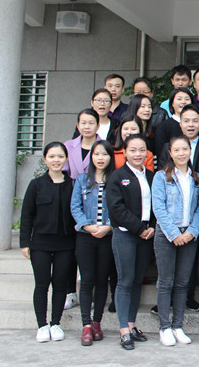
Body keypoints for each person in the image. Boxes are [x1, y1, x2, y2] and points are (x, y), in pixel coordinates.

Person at [20, 142, 76, 343]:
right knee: (42, 284)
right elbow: (27, 215)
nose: (56, 160)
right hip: (40, 244)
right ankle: (42, 325)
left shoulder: (73, 184)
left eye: (60, 156)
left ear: (66, 159)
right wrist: (25, 243)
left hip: (66, 244)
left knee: (60, 284)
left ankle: (55, 323)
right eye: (52, 156)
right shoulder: (36, 185)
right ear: (45, 159)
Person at [105, 134, 156, 350]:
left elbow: (157, 205)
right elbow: (116, 209)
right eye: (133, 150)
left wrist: (152, 227)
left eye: (142, 150)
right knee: (125, 280)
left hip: (146, 236)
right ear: (124, 152)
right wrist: (139, 228)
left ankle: (132, 324)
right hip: (126, 234)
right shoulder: (117, 177)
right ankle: (123, 329)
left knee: (136, 281)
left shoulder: (152, 176)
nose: (138, 154)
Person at [151, 136, 199, 346]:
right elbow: (159, 208)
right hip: (166, 234)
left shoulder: (196, 178)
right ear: (170, 153)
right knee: (166, 282)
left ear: (190, 151)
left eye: (185, 149)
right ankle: (164, 327)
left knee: (183, 283)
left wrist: (192, 232)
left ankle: (178, 325)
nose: (181, 153)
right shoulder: (161, 177)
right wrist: (174, 234)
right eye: (177, 150)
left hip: (189, 235)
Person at [70, 140, 115, 346]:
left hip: (107, 237)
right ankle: (86, 325)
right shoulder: (81, 180)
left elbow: (120, 206)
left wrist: (108, 226)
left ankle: (97, 322)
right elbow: (75, 207)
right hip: (85, 237)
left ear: (110, 157)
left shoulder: (115, 179)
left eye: (104, 154)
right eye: (96, 154)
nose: (100, 158)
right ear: (91, 157)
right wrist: (87, 226)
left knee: (102, 280)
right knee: (87, 280)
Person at [155, 88, 194, 157]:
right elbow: (161, 153)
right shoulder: (164, 127)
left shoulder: (196, 125)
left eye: (187, 99)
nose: (183, 102)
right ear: (172, 103)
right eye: (179, 99)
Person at [65, 109, 102, 179]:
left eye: (91, 123)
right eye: (83, 123)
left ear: (98, 126)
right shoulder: (68, 146)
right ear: (78, 126)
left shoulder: (105, 147)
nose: (87, 127)